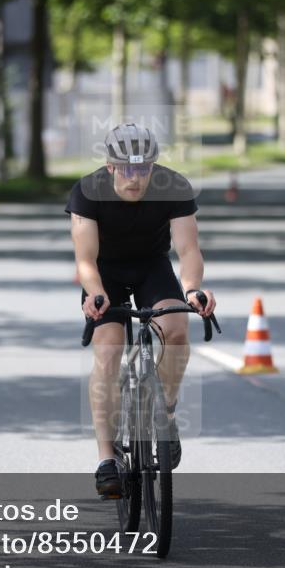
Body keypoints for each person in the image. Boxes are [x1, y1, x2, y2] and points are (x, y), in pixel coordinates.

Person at [66, 123, 217, 498]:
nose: (136, 178)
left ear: (154, 166)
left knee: (177, 330)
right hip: (106, 273)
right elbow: (85, 260)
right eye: (127, 169)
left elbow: (187, 250)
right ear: (111, 166)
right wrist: (95, 293)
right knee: (108, 349)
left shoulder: (174, 186)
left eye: (144, 169)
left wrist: (194, 289)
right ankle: (106, 458)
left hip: (152, 266)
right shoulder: (88, 191)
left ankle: (164, 414)